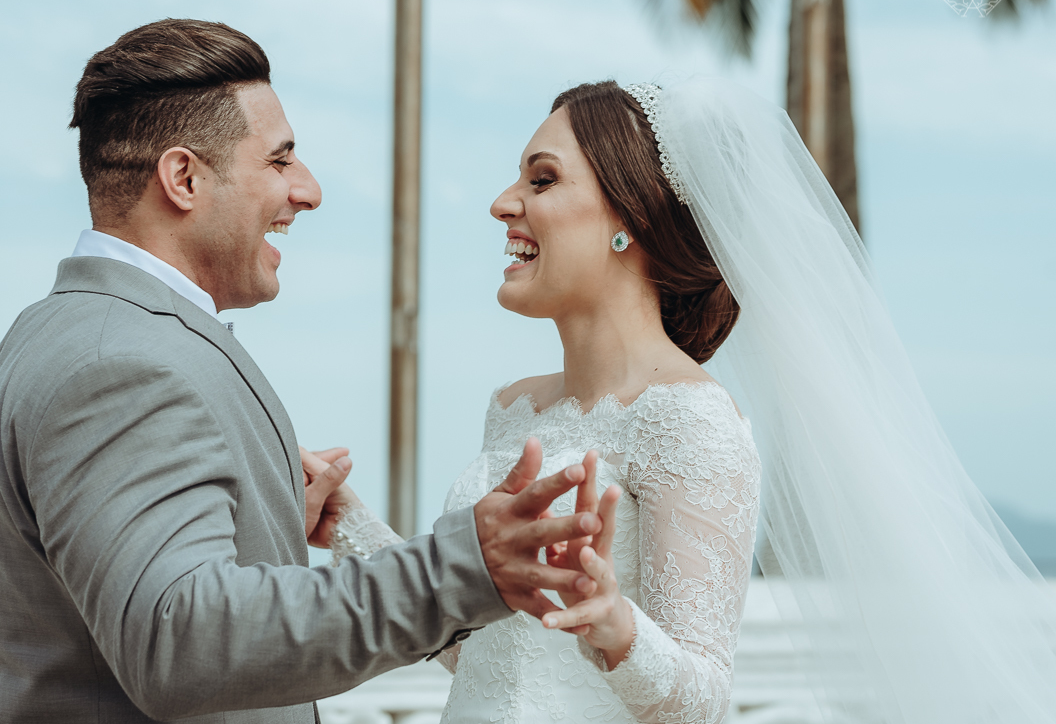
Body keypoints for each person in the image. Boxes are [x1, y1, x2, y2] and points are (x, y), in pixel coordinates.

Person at [315, 77, 1056, 723]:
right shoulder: (514, 409)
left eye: (541, 180)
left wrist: (613, 625)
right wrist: (349, 523)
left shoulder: (689, 417)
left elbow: (700, 700)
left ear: (626, 221)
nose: (502, 203)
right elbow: (493, 661)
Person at [0, 18, 606, 724]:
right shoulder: (124, 366)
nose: (309, 189)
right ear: (184, 177)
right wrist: (463, 568)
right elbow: (178, 638)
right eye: (281, 160)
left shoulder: (41, 342)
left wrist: (262, 520)